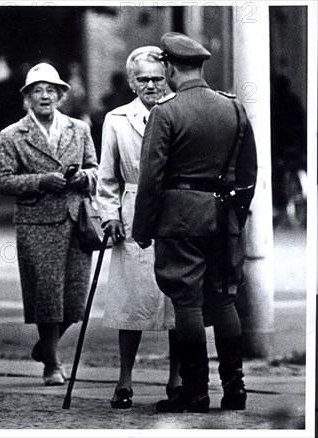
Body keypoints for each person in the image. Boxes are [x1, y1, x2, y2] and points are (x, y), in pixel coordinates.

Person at [132, 32, 257, 413]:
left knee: (187, 304)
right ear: (201, 66)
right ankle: (235, 390)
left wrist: (142, 227)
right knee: (223, 300)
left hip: (181, 218)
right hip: (224, 217)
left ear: (169, 67)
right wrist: (236, 214)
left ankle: (195, 391)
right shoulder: (233, 108)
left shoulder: (165, 112)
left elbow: (151, 177)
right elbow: (249, 172)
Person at [0, 63, 98, 386]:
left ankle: (44, 347)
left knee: (76, 300)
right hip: (36, 223)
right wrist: (41, 181)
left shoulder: (79, 130)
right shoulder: (12, 135)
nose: (44, 96)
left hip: (76, 220)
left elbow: (97, 169)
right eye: (37, 90)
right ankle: (52, 364)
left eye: (50, 90)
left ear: (60, 95)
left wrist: (85, 177)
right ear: (27, 97)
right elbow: (1, 180)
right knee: (47, 297)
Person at [96, 46, 181, 410]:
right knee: (129, 300)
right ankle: (124, 380)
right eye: (143, 79)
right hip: (132, 213)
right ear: (132, 82)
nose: (150, 85)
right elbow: (107, 178)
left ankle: (176, 378)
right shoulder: (116, 119)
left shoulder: (181, 111)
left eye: (157, 78)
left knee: (179, 301)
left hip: (175, 212)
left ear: (168, 78)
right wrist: (109, 214)